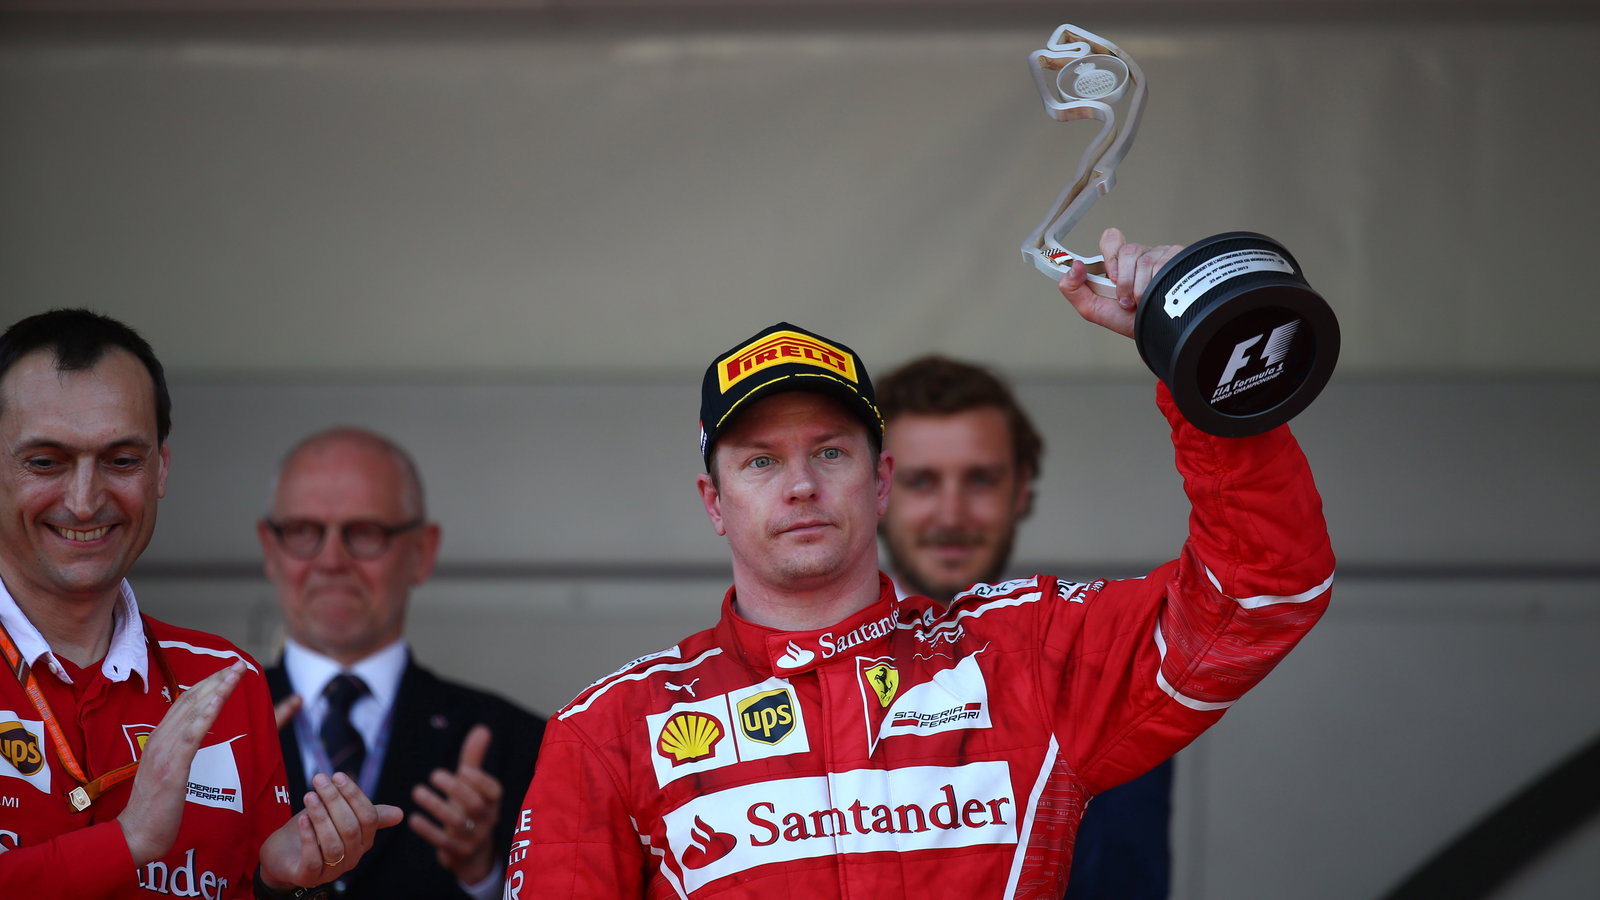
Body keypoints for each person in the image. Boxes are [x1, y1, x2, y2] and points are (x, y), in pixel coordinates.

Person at [506, 228, 1336, 898]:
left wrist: (1204, 344)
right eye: (759, 461)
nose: (799, 485)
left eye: (831, 452)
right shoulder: (610, 732)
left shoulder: (1025, 657)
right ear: (713, 501)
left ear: (881, 480)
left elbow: (1262, 591)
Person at [0, 308, 401, 899]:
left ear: (161, 468)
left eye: (122, 461)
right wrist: (127, 840)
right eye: (45, 462)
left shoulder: (225, 681)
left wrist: (282, 882)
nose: (84, 502)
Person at [876, 355, 1173, 899]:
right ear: (875, 492)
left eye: (981, 480)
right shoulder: (798, 675)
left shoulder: (1101, 668)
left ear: (1021, 490)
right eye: (920, 482)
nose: (952, 513)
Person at [257, 427, 546, 900]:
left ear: (422, 552)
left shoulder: (520, 745)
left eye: (365, 533)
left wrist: (485, 874)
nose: (332, 560)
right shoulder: (204, 735)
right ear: (270, 548)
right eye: (304, 532)